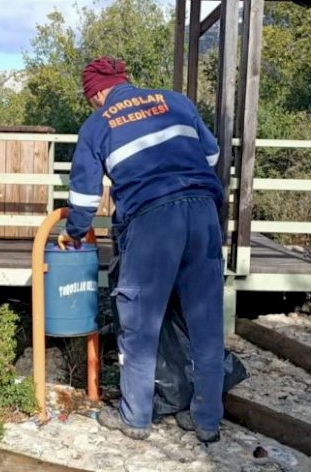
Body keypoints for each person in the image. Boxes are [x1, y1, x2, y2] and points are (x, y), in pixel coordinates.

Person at [61, 56, 225, 445]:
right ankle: (207, 421)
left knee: (139, 318)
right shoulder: (176, 101)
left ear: (97, 92)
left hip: (153, 221)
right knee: (206, 321)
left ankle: (136, 418)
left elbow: (84, 195)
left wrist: (74, 233)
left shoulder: (98, 124)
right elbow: (214, 156)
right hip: (203, 212)